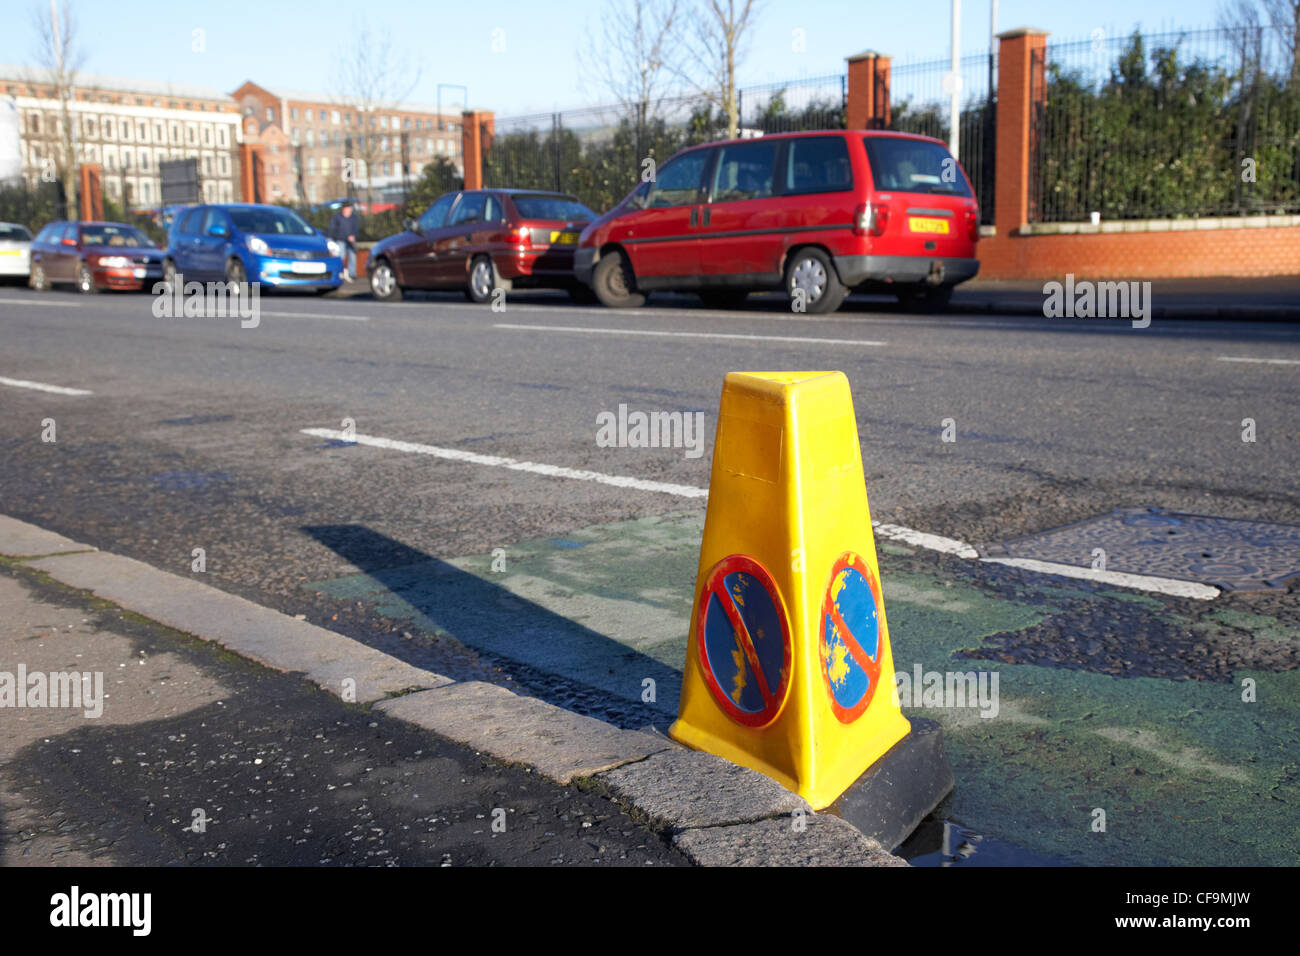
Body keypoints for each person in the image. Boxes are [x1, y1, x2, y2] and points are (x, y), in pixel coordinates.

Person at [327, 201, 359, 281]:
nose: (348, 211)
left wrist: (353, 236)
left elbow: (356, 228)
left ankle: (352, 274)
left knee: (352, 255)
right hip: (340, 239)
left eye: (349, 209)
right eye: (346, 209)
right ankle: (339, 272)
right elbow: (333, 229)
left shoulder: (354, 217)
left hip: (350, 240)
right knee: (341, 255)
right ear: (343, 209)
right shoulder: (337, 217)